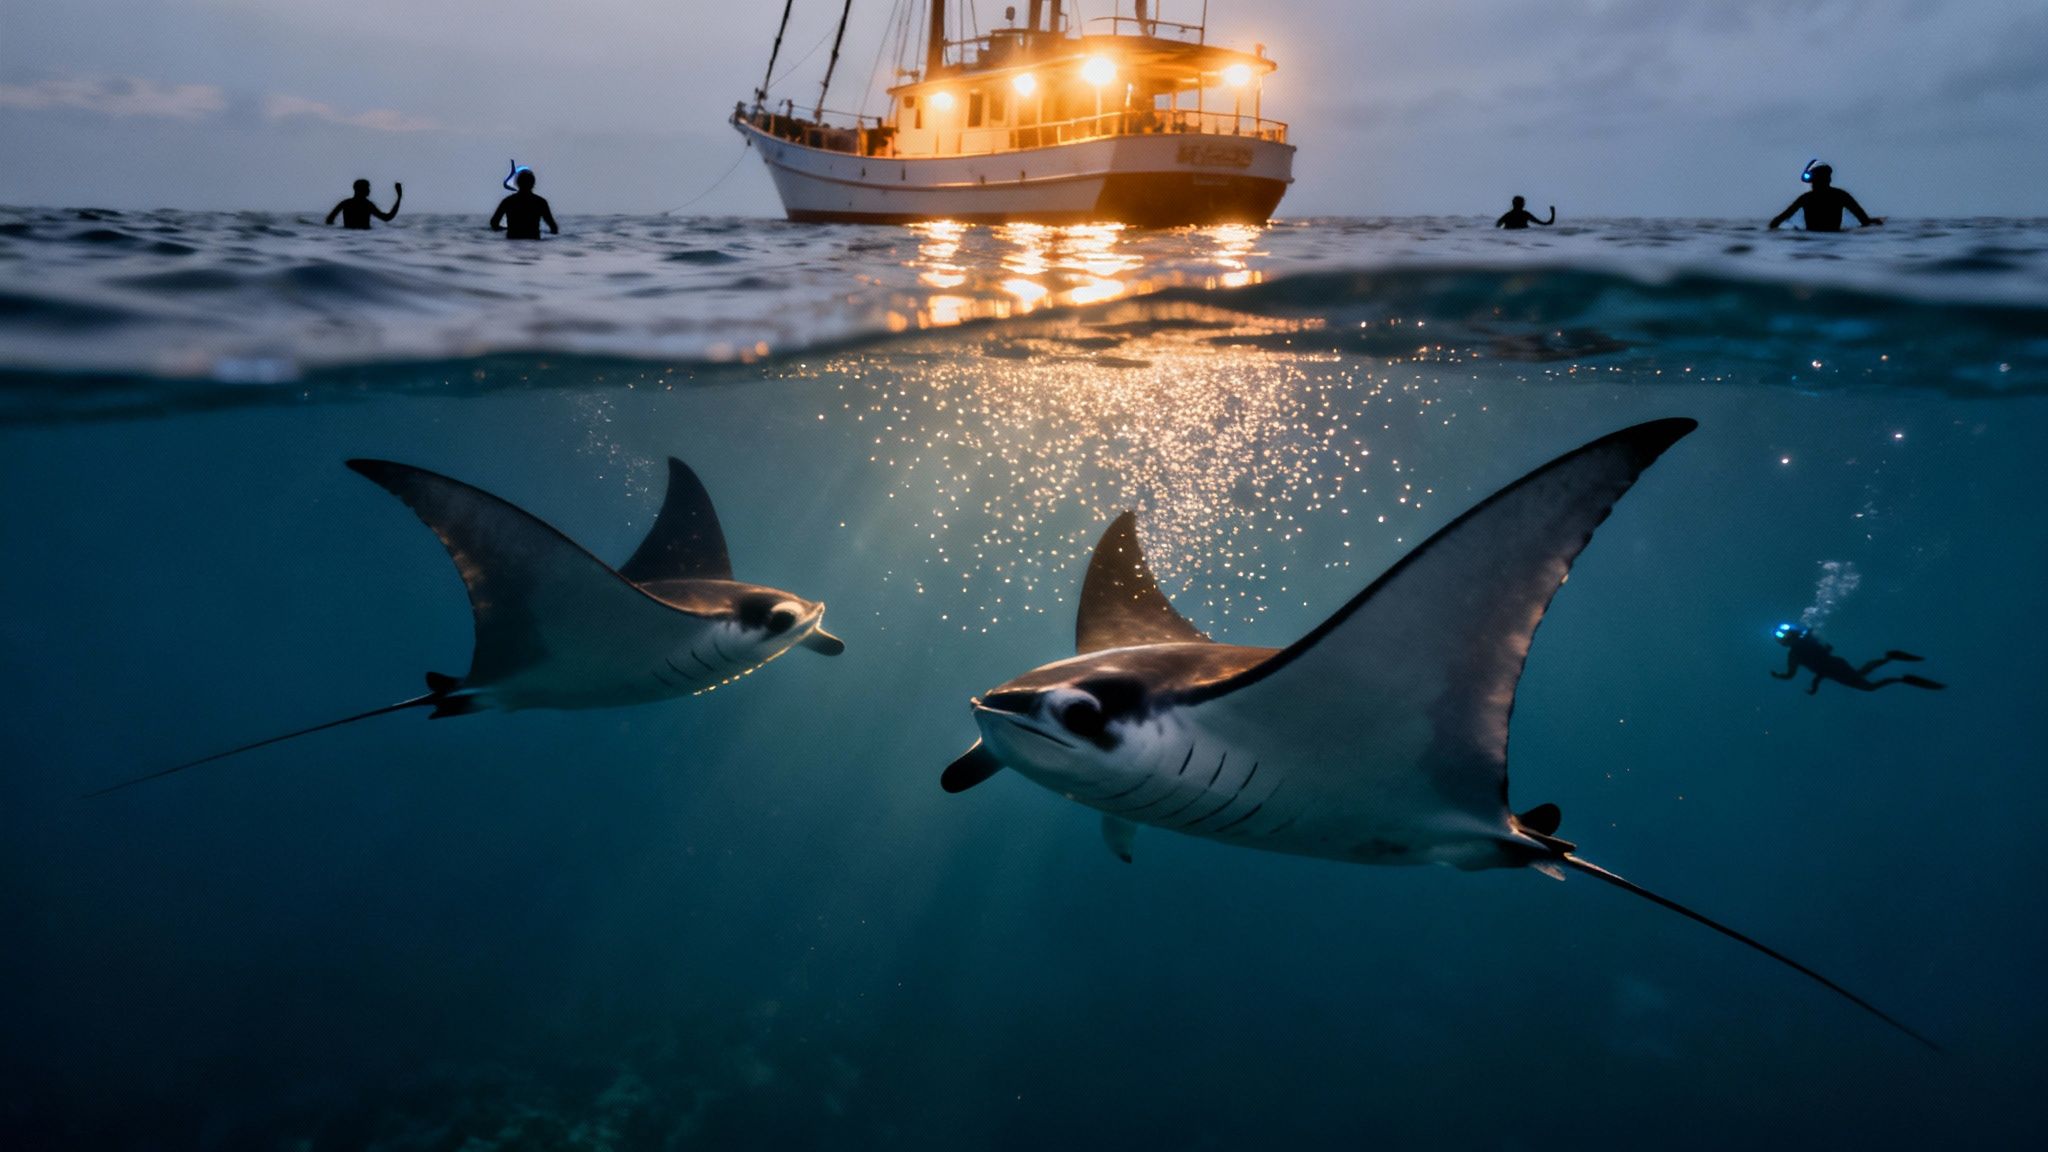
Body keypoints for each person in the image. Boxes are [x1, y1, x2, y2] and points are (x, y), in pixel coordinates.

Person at [1771, 623, 1943, 694]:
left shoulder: (1794, 654)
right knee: (1861, 673)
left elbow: (1790, 675)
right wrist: (1815, 684)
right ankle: (1888, 659)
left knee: (1869, 687)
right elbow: (1828, 648)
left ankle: (1899, 678)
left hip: (1832, 670)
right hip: (1836, 664)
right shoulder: (1808, 640)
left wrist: (1778, 676)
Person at [1770, 161, 1882, 232]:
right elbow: (1864, 221)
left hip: (1810, 240)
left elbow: (1776, 222)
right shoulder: (1841, 195)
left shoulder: (1806, 198)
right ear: (1829, 179)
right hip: (1836, 239)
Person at [490, 168, 558, 240]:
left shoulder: (508, 201)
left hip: (512, 243)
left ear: (517, 183)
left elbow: (494, 223)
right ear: (533, 183)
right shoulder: (540, 202)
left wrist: (507, 229)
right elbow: (553, 228)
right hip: (534, 244)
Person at [326, 179, 401, 229]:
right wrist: (399, 198)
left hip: (348, 235)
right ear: (361, 190)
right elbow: (387, 218)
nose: (369, 190)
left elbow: (329, 220)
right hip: (365, 236)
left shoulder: (346, 203)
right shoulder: (367, 205)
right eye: (367, 188)